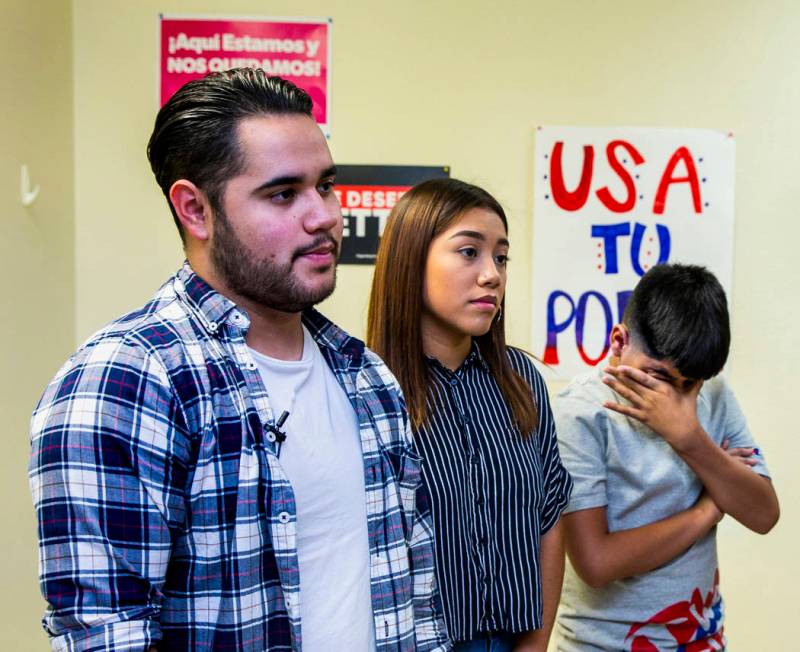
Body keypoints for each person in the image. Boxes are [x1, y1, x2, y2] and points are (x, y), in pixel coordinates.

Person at [29, 69, 450, 652]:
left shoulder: (366, 376)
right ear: (195, 210)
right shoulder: (129, 380)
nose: (325, 216)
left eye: (325, 185)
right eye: (283, 193)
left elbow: (414, 595)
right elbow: (107, 634)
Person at [367, 178, 573, 652]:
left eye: (501, 257)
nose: (492, 275)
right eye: (469, 252)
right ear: (410, 260)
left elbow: (550, 513)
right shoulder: (367, 386)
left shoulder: (519, 377)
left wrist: (534, 647)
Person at [553, 263, 780, 650]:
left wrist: (690, 438)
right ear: (619, 342)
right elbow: (595, 563)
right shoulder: (581, 412)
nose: (673, 398)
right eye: (658, 376)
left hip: (701, 638)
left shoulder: (714, 394)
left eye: (688, 385)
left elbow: (763, 514)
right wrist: (706, 510)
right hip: (603, 644)